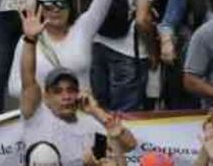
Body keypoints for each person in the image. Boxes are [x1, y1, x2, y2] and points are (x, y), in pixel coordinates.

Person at [19, 10, 138, 166]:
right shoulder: (36, 114)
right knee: (44, 155)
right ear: (46, 96)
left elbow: (130, 145)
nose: (66, 96)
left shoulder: (89, 122)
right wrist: (30, 40)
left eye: (71, 90)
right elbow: (28, 80)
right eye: (58, 91)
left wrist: (97, 111)